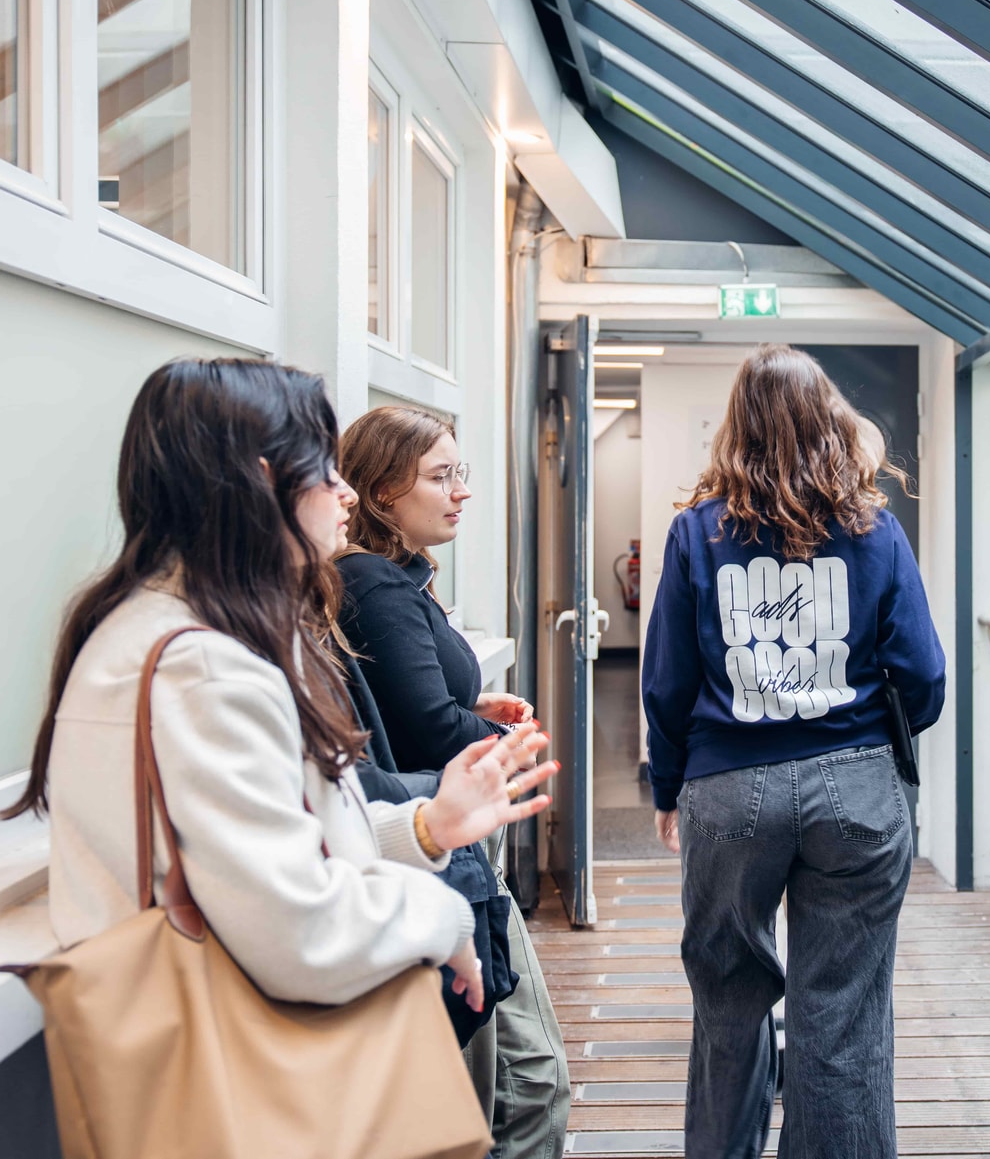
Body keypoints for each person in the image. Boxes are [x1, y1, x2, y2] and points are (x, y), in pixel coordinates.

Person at [5, 357, 554, 1025]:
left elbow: (286, 840)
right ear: (265, 482)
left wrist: (427, 827)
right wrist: (443, 915)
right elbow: (301, 932)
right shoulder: (202, 668)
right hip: (225, 1057)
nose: (345, 493)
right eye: (326, 468)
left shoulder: (190, 631)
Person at [643, 344, 946, 1159]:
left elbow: (667, 680)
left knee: (730, 1001)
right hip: (856, 788)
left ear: (736, 428)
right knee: (840, 1014)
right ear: (831, 424)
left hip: (728, 788)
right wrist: (871, 739)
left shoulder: (694, 534)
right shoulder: (875, 531)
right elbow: (924, 677)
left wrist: (669, 785)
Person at [334, 404, 571, 1159]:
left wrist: (473, 709)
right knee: (517, 1090)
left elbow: (426, 710)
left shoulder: (399, 577)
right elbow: (433, 734)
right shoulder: (373, 583)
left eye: (459, 472)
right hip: (429, 857)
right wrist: (505, 739)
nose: (460, 491)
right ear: (380, 494)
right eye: (441, 476)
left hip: (436, 845)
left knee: (520, 1081)